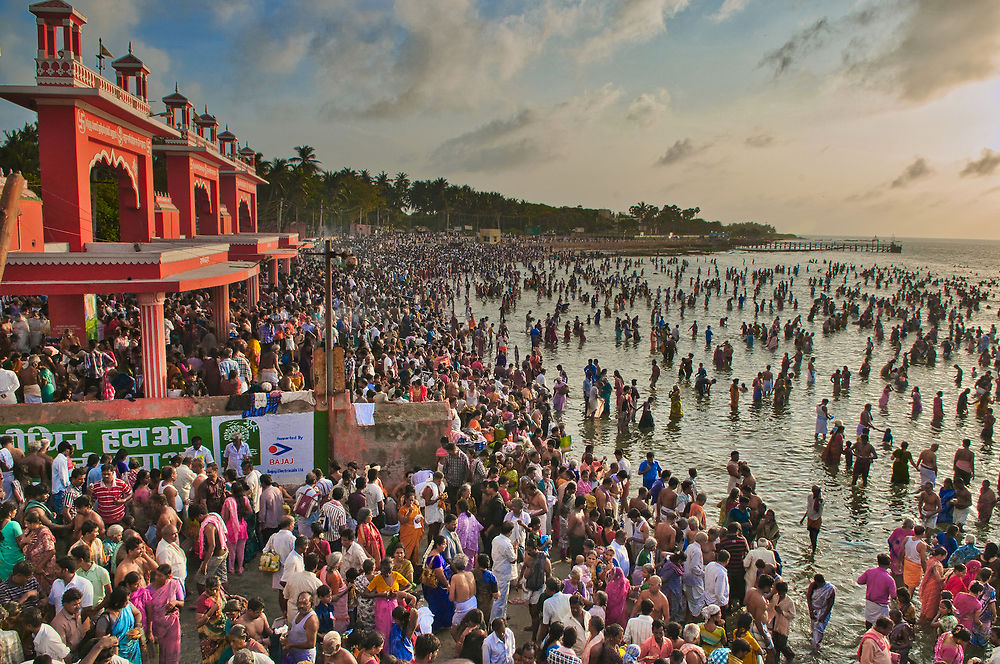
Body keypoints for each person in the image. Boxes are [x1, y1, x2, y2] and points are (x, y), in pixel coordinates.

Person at [147, 564, 184, 664]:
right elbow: (148, 610)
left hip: (172, 624)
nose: (157, 578)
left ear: (168, 577)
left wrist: (175, 603)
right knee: (161, 652)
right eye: (156, 575)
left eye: (160, 576)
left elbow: (182, 602)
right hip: (157, 625)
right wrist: (149, 630)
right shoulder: (149, 589)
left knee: (172, 651)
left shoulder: (174, 585)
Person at [857, 554, 896, 629]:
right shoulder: (889, 579)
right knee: (882, 625)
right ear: (889, 564)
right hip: (881, 605)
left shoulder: (869, 572)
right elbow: (894, 595)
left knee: (868, 620)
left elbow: (859, 581)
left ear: (878, 562)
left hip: (870, 602)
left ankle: (867, 634)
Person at [281, 591, 319, 664]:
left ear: (311, 604)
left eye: (305, 603)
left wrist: (291, 645)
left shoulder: (311, 620)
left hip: (304, 656)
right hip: (293, 653)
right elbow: (297, 629)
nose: (301, 606)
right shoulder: (300, 613)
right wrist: (288, 633)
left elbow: (311, 644)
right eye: (299, 603)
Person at [806, 573, 835, 649]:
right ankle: (813, 641)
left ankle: (817, 643)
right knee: (813, 628)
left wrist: (824, 615)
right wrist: (811, 612)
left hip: (824, 609)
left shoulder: (830, 589)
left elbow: (830, 604)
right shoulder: (813, 586)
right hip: (814, 608)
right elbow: (808, 597)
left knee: (820, 628)